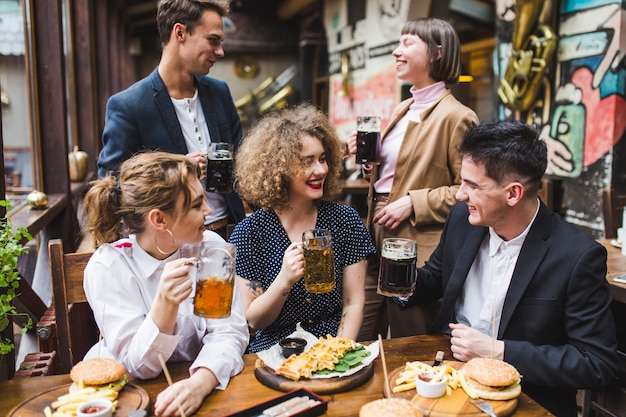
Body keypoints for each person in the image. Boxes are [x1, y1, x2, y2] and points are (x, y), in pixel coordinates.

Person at [400, 120, 618, 416]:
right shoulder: (462, 219)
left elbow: (596, 363)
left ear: (513, 194)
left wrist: (498, 352)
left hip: (525, 397)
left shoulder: (578, 256)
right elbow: (437, 277)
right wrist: (402, 279)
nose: (460, 194)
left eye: (472, 185)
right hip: (447, 377)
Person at [81, 152, 249, 417]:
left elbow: (228, 333)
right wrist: (164, 308)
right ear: (159, 220)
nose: (208, 211)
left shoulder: (212, 249)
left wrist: (199, 384)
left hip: (200, 387)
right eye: (196, 205)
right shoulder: (109, 268)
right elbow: (138, 368)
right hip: (127, 399)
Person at [346, 17, 479, 340]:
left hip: (416, 241)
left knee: (409, 337)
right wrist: (369, 164)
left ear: (437, 52)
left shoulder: (458, 116)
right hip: (375, 228)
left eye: (407, 43)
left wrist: (412, 202)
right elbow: (395, 175)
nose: (396, 51)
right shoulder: (402, 108)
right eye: (398, 42)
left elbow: (468, 190)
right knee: (358, 330)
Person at [229, 104, 376, 353]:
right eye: (308, 162)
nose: (321, 170)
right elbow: (255, 319)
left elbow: (353, 303)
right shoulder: (249, 232)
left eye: (323, 159)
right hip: (273, 351)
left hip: (333, 345)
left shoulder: (345, 220)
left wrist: (337, 354)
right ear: (280, 169)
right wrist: (285, 279)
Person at [97, 0, 245, 239]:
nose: (220, 51)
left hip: (231, 234)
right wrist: (176, 172)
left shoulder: (220, 92)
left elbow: (244, 160)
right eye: (213, 40)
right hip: (169, 244)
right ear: (180, 32)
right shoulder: (128, 105)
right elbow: (112, 184)